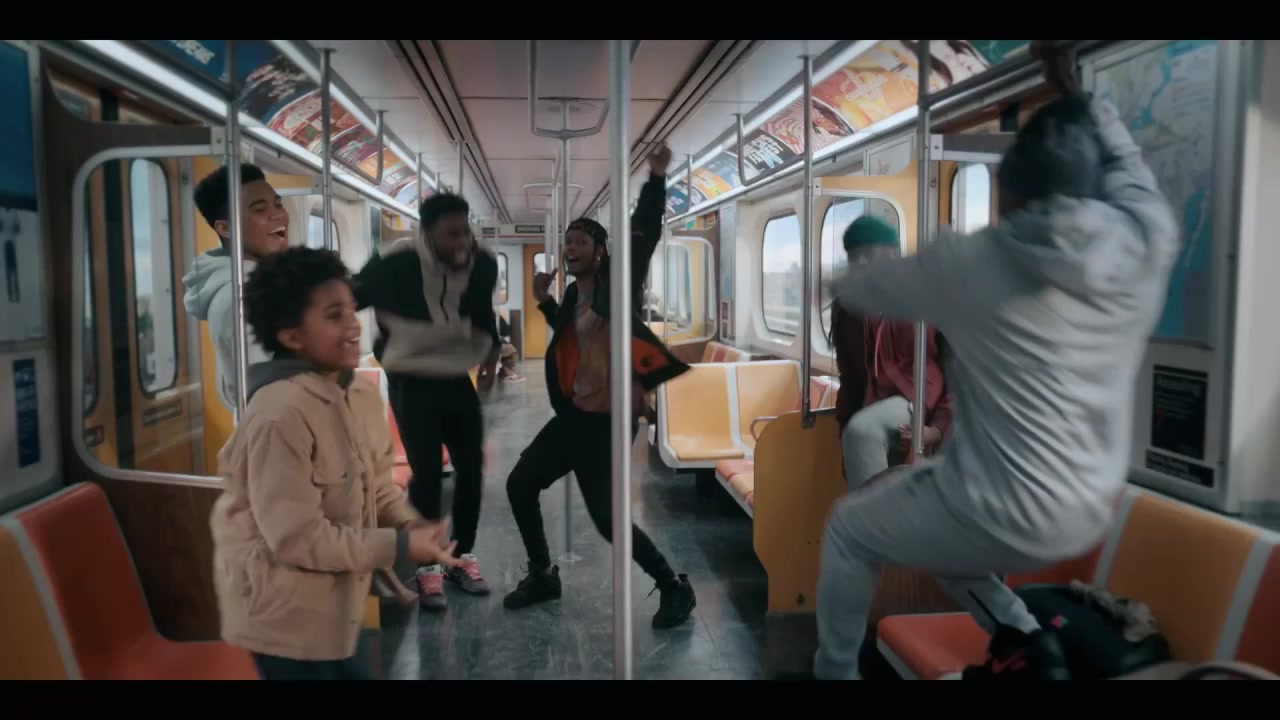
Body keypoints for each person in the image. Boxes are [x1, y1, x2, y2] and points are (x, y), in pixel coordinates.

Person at [790, 42, 1179, 680]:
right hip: (1089, 505)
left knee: (849, 529)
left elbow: (865, 287)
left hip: (994, 503)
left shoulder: (972, 263)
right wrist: (1078, 94)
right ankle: (1025, 640)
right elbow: (1129, 167)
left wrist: (828, 281)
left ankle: (834, 674)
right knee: (943, 543)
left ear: (1009, 193)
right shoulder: (1146, 237)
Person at [209, 246, 460, 680]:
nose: (352, 325)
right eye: (333, 315)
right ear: (292, 338)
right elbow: (298, 539)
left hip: (340, 607)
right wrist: (401, 548)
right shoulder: (278, 415)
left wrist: (411, 524)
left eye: (350, 310)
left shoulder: (359, 395)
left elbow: (376, 486)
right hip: (283, 622)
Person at [502, 144, 697, 630]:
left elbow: (645, 230)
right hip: (574, 417)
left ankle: (673, 586)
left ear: (601, 250)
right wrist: (543, 301)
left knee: (610, 523)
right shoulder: (573, 293)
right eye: (567, 241)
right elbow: (570, 335)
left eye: (581, 241)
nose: (570, 248)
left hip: (608, 424)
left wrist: (656, 178)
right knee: (520, 484)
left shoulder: (619, 284)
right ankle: (543, 574)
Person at [351, 192, 500, 612]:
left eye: (465, 231)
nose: (462, 242)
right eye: (451, 234)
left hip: (454, 377)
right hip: (410, 378)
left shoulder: (482, 264)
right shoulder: (396, 263)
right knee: (428, 475)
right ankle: (428, 564)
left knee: (471, 469)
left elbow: (483, 314)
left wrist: (491, 359)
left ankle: (461, 556)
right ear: (427, 233)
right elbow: (349, 296)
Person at [828, 215, 953, 490]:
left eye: (869, 254)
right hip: (874, 406)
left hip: (922, 398)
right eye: (854, 257)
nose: (861, 263)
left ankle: (870, 516)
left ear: (893, 254)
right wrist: (846, 439)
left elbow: (959, 372)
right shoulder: (847, 308)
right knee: (860, 434)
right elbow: (850, 379)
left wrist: (938, 428)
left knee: (863, 431)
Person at [184, 163, 289, 411]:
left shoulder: (264, 283)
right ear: (225, 228)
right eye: (260, 209)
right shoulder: (244, 295)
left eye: (278, 204)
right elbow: (270, 396)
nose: (278, 215)